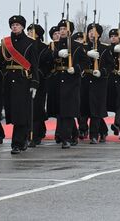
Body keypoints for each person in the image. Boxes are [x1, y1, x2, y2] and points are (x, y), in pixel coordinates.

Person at [0, 15, 39, 154]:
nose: (15, 27)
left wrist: (34, 83)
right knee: (13, 112)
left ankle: (17, 143)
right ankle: (23, 137)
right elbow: (1, 62)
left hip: (23, 80)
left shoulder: (31, 43)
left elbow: (34, 65)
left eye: (18, 25)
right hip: (8, 80)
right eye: (13, 25)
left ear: (22, 27)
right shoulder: (5, 42)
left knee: (21, 112)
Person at [51, 20, 88, 149]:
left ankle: (65, 139)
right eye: (60, 28)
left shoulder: (77, 46)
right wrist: (56, 53)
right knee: (61, 111)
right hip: (57, 80)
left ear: (70, 31)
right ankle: (74, 133)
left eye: (64, 29)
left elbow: (85, 62)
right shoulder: (54, 45)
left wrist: (77, 69)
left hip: (71, 80)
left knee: (67, 110)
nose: (61, 31)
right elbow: (46, 59)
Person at [81, 23, 114, 144]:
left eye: (93, 31)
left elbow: (111, 65)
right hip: (85, 80)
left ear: (99, 34)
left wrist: (102, 72)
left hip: (99, 82)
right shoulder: (83, 47)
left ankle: (94, 135)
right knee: (86, 109)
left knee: (96, 109)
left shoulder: (105, 49)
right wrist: (86, 54)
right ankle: (103, 130)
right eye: (89, 31)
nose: (91, 33)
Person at [27, 23, 50, 147]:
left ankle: (36, 135)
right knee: (27, 108)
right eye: (29, 30)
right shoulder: (25, 44)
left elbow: (48, 65)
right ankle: (30, 132)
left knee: (37, 107)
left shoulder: (43, 47)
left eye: (31, 31)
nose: (29, 33)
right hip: (25, 80)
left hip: (40, 81)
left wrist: (39, 73)